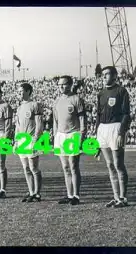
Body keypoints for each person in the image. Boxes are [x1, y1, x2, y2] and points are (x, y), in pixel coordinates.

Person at [96, 66, 131, 208]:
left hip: (116, 127)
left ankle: (123, 198)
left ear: (115, 75)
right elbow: (98, 115)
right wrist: (96, 134)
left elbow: (126, 114)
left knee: (118, 164)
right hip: (102, 129)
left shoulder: (121, 91)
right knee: (109, 165)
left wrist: (121, 132)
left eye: (107, 74)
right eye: (102, 75)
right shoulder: (101, 93)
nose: (104, 77)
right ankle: (116, 197)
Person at [53, 75, 86, 205]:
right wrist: (55, 135)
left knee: (73, 166)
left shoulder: (76, 99)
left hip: (73, 134)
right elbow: (55, 120)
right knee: (65, 167)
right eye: (59, 84)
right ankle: (69, 194)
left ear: (70, 84)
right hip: (60, 135)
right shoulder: (57, 101)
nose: (61, 87)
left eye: (64, 84)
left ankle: (76, 196)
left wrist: (81, 135)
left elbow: (83, 120)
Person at [15, 83, 43, 202]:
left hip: (31, 139)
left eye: (21, 91)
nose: (19, 93)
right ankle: (31, 192)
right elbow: (17, 125)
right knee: (26, 167)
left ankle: (37, 193)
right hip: (22, 140)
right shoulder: (20, 107)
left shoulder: (35, 105)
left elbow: (39, 124)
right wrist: (16, 141)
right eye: (19, 91)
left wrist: (36, 138)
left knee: (34, 168)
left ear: (28, 91)